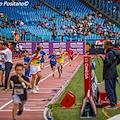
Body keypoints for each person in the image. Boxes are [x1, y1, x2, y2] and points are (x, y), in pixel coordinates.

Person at [99, 40, 119, 109]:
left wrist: (103, 59)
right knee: (113, 88)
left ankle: (113, 104)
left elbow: (107, 63)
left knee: (109, 89)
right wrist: (114, 65)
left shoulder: (110, 53)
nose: (104, 47)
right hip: (113, 72)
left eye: (105, 45)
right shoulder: (116, 52)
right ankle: (114, 103)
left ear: (108, 45)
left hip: (109, 73)